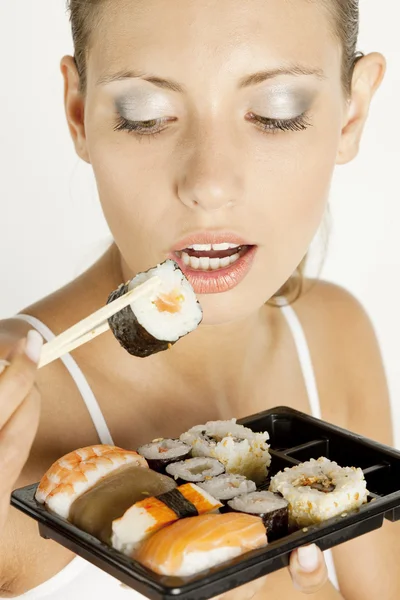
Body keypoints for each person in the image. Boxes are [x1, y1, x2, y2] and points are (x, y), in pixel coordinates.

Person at [0, 0, 397, 598]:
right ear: (80, 114)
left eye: (276, 111)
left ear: (351, 113)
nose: (209, 184)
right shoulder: (16, 428)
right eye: (145, 113)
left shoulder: (336, 335)